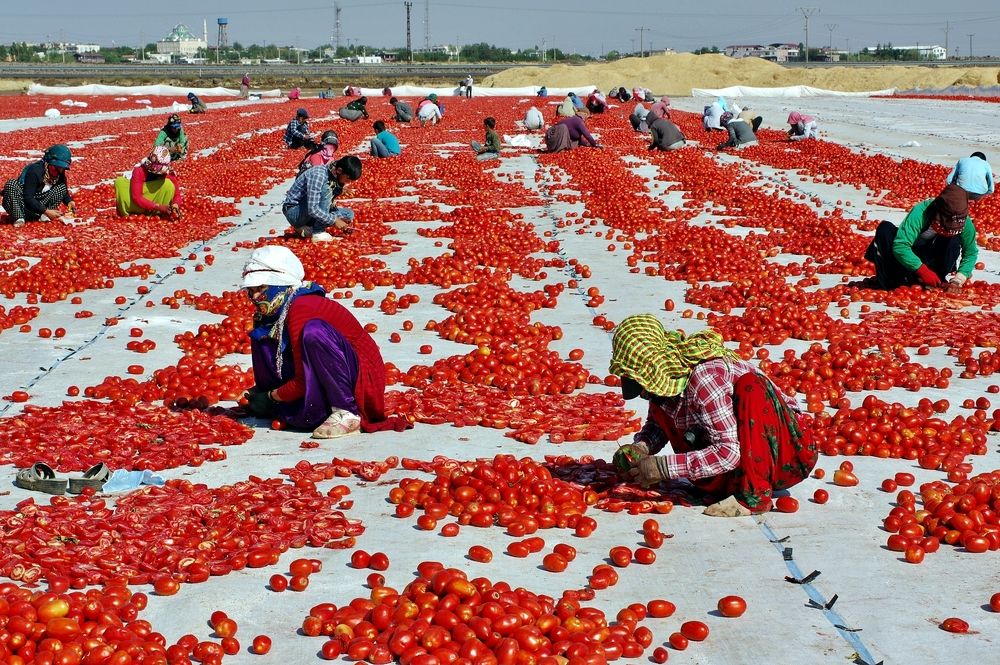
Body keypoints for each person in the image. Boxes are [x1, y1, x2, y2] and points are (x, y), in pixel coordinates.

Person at [609, 315, 817, 516]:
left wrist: (663, 467)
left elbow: (729, 451)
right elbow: (658, 424)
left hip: (785, 455)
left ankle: (755, 496)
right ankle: (730, 487)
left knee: (751, 388)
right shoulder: (667, 382)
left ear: (653, 369)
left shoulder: (704, 377)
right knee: (659, 403)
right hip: (738, 464)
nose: (642, 392)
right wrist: (641, 448)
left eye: (641, 383)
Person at [241, 245, 411, 438]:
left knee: (314, 332)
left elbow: (302, 381)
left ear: (281, 283)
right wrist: (263, 394)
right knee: (262, 330)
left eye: (261, 289)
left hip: (359, 382)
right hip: (325, 373)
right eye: (251, 290)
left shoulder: (302, 307)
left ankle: (347, 412)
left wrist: (272, 397)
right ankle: (277, 399)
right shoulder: (279, 310)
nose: (254, 297)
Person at [862, 184, 978, 293]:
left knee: (954, 240)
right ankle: (893, 280)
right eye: (943, 226)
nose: (946, 230)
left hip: (932, 257)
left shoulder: (965, 223)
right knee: (885, 229)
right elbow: (901, 245)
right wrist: (922, 271)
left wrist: (959, 279)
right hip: (907, 256)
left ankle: (937, 279)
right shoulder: (921, 212)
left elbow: (970, 252)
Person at [282, 155, 361, 243]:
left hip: (308, 212)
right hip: (294, 212)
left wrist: (337, 220)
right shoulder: (319, 176)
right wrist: (334, 220)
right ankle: (318, 232)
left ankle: (307, 228)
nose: (348, 183)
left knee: (348, 214)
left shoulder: (333, 174)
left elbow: (326, 204)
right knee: (327, 189)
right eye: (348, 179)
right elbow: (312, 209)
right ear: (339, 170)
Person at [1, 144, 75, 227]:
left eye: (62, 168)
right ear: (49, 163)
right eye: (57, 167)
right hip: (23, 206)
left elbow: (63, 191)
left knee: (61, 187)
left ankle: (44, 217)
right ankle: (19, 218)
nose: (60, 171)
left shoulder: (59, 173)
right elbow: (28, 197)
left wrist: (69, 202)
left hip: (40, 209)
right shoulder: (35, 171)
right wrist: (46, 211)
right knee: (11, 184)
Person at [114, 146, 182, 219]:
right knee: (120, 182)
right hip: (137, 204)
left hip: (156, 205)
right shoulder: (139, 170)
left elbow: (177, 195)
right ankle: (131, 212)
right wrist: (159, 207)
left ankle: (158, 214)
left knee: (169, 185)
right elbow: (136, 197)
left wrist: (175, 206)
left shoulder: (168, 173)